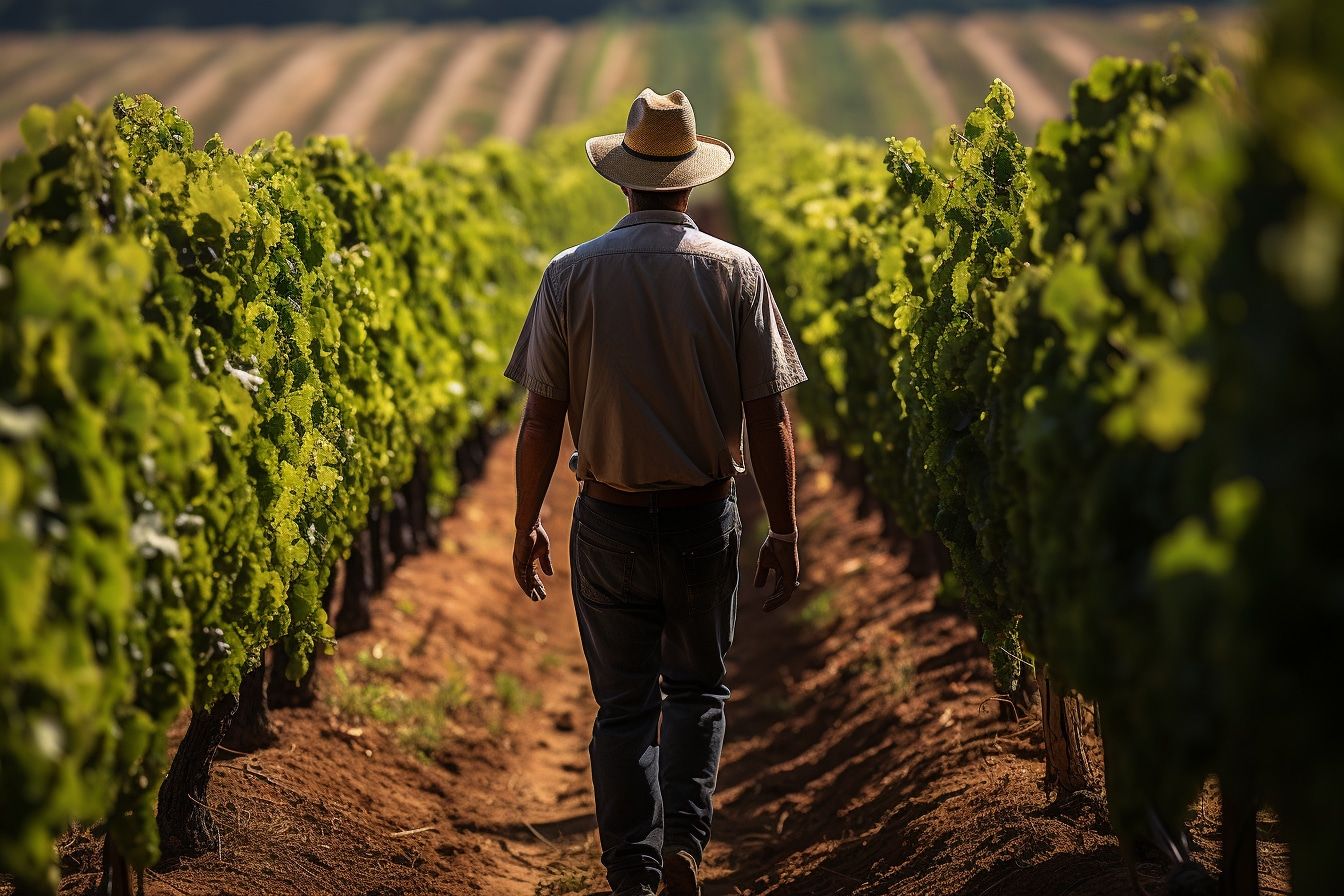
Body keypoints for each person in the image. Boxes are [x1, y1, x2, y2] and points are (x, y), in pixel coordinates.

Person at [505, 88, 807, 896]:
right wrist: (784, 530)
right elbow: (767, 411)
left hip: (605, 520)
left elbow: (542, 417)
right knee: (699, 689)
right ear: (692, 182)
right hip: (706, 518)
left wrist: (527, 519)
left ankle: (633, 871)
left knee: (624, 707)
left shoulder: (570, 275)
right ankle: (684, 846)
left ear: (624, 178)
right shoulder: (735, 272)